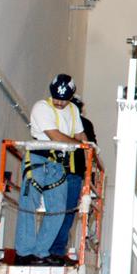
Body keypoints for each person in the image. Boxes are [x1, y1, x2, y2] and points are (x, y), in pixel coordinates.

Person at [13, 74, 86, 266]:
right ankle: (24, 252)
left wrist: (88, 145)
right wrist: (81, 146)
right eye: (56, 98)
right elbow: (55, 136)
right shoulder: (41, 108)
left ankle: (41, 252)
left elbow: (80, 134)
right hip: (38, 157)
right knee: (29, 203)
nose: (60, 103)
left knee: (58, 209)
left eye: (64, 99)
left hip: (57, 163)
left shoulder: (72, 111)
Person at [48, 95, 97, 263]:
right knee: (64, 214)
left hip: (61, 172)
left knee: (58, 213)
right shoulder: (81, 123)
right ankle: (53, 251)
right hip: (66, 173)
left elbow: (90, 149)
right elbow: (91, 150)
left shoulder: (68, 121)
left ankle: (51, 250)